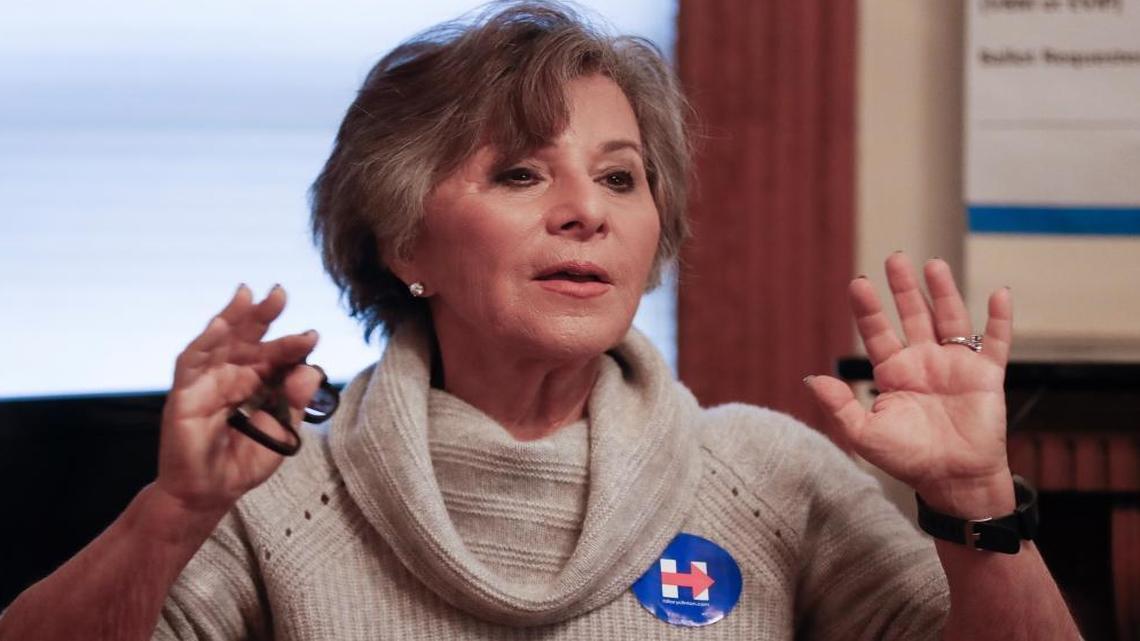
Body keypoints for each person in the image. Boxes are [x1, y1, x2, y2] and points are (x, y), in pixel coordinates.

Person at [0, 2, 1082, 639]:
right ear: (403, 242)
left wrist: (974, 500)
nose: (587, 211)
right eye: (521, 173)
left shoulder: (769, 471)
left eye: (622, 178)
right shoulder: (279, 492)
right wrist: (170, 512)